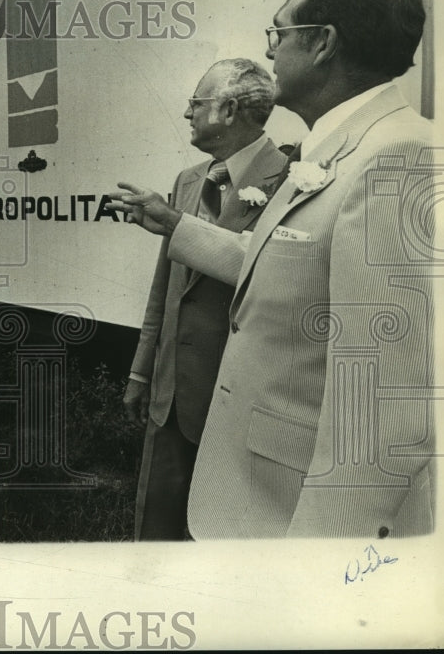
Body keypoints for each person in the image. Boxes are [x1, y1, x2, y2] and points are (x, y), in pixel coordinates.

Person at [109, 0, 434, 538]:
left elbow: (382, 412)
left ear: (323, 44)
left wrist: (317, 575)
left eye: (277, 33)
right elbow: (279, 269)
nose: (270, 52)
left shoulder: (393, 158)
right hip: (255, 498)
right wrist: (175, 226)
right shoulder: (334, 152)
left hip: (293, 526)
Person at [125, 58, 286, 540]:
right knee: (156, 535)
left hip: (236, 401)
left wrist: (176, 223)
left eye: (196, 104)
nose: (187, 114)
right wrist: (141, 369)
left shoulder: (293, 180)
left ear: (230, 110)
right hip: (170, 396)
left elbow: (263, 273)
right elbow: (165, 287)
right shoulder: (188, 180)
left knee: (218, 541)